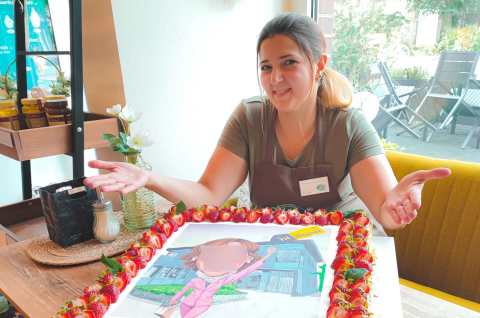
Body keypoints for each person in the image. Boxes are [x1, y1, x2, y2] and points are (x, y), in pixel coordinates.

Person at [84, 12, 450, 231]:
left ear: (318, 64)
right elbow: (209, 195)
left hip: (339, 251)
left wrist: (397, 207)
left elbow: (385, 211)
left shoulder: (348, 125)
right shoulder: (249, 117)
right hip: (270, 247)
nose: (275, 78)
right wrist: (149, 178)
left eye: (289, 62)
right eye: (266, 66)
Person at [166, 238, 276, 318]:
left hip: (203, 304)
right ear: (197, 256)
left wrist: (267, 256)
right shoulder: (196, 280)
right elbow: (183, 290)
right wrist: (175, 298)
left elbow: (247, 271)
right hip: (186, 303)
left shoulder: (224, 280)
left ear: (248, 259)